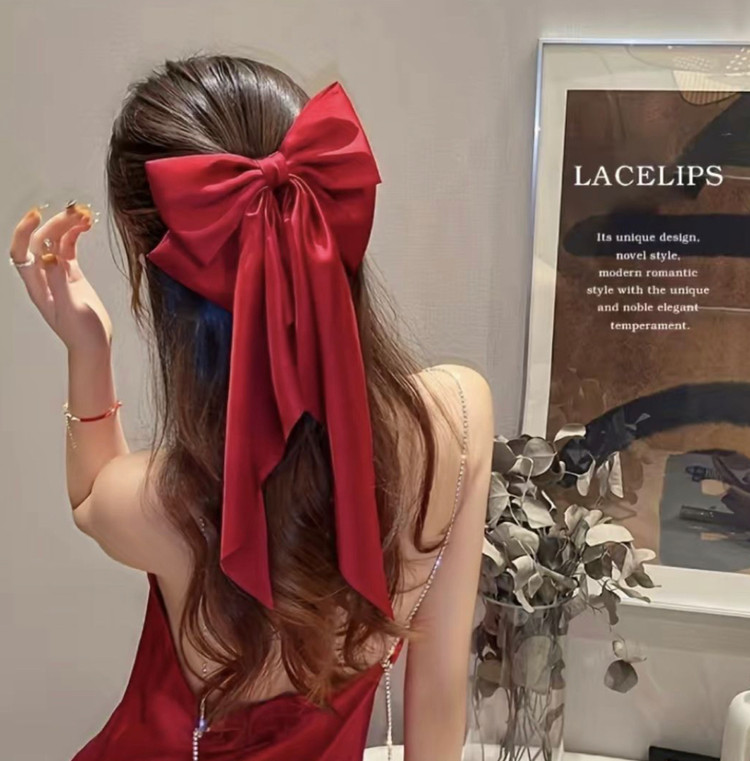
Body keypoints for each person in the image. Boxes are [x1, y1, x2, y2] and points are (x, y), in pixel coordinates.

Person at [8, 55, 494, 761]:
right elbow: (441, 698)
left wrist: (89, 348)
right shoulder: (459, 416)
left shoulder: (166, 503)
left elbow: (88, 498)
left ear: (153, 267)